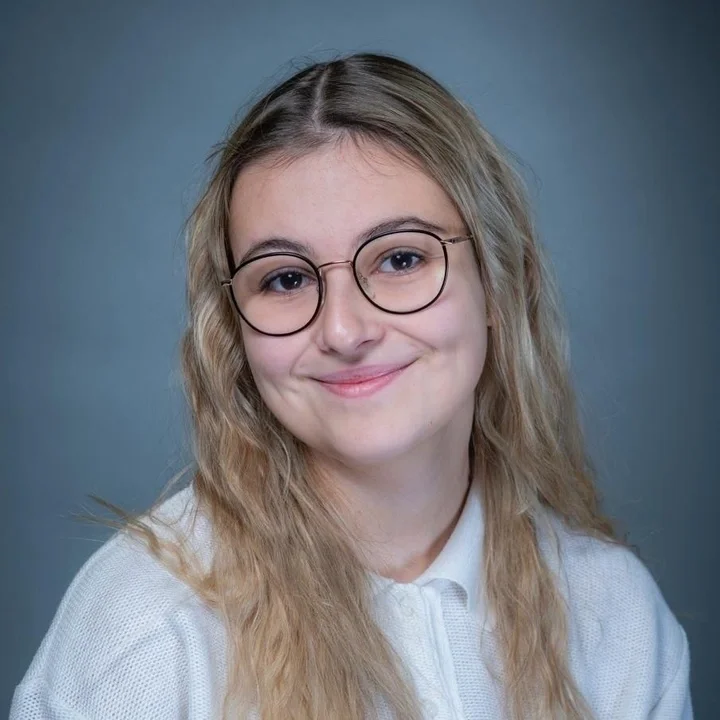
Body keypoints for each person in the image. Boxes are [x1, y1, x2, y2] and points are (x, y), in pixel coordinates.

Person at [10, 53, 692, 720]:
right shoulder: (147, 631)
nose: (343, 330)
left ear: (498, 280)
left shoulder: (615, 618)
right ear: (233, 328)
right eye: (285, 278)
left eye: (400, 258)